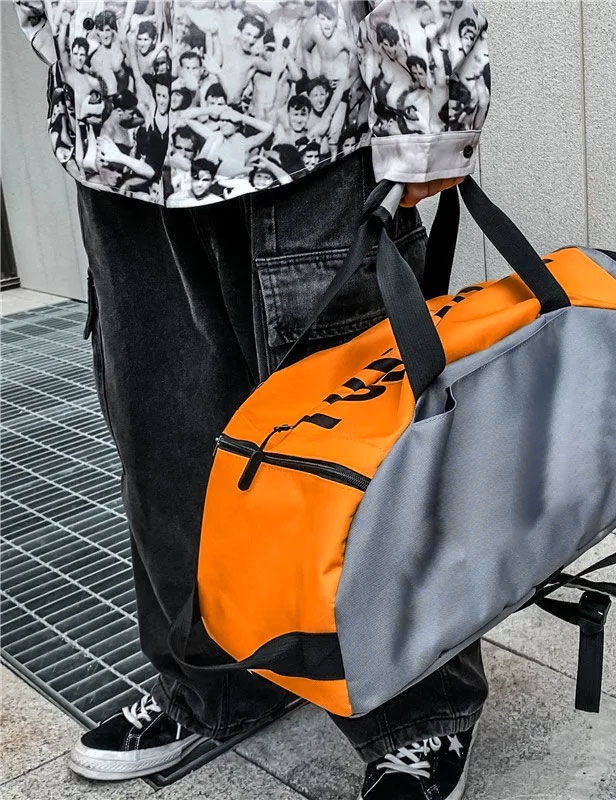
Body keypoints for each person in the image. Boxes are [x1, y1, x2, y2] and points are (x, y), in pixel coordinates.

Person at [13, 2, 491, 799]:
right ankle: (217, 686)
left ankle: (421, 711)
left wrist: (434, 105)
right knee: (169, 453)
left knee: (359, 458)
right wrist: (76, 43)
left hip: (301, 123)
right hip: (119, 143)